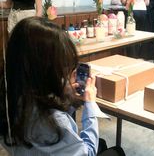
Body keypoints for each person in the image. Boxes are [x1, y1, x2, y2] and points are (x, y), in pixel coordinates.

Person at [0, 17, 125, 156]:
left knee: (101, 143)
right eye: (63, 66)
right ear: (47, 69)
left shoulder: (8, 100)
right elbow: (88, 153)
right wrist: (90, 104)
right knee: (116, 151)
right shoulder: (54, 121)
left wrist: (65, 97)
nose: (66, 72)